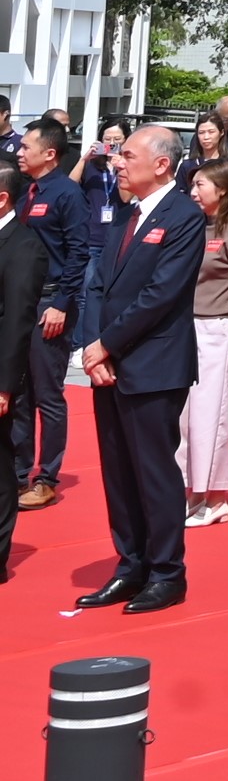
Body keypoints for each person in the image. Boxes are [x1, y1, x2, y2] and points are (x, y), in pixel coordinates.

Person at [75, 126, 206, 614]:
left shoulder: (184, 216)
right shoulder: (127, 215)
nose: (117, 163)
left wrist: (107, 345)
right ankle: (130, 565)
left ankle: (167, 572)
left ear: (162, 164)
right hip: (110, 362)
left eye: (127, 155)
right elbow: (99, 286)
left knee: (153, 472)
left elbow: (161, 293)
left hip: (153, 364)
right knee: (118, 472)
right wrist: (96, 347)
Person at [178, 160, 228, 528]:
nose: (194, 192)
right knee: (186, 418)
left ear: (223, 190)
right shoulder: (194, 225)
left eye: (201, 186)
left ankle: (215, 498)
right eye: (193, 185)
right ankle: (192, 491)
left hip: (221, 328)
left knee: (215, 414)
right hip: (188, 328)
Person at [13, 118, 85, 511]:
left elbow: (79, 252)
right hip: (21, 304)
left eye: (26, 147)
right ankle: (19, 472)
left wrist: (62, 303)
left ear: (50, 153)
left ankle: (47, 476)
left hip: (50, 303)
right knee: (18, 390)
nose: (20, 153)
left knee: (47, 394)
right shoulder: (24, 193)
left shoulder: (66, 194)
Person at [0, 168, 47, 579]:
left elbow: (17, 320)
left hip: (0, 371)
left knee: (0, 464)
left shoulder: (24, 246)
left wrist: (5, 384)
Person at [68, 117, 126, 349]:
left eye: (117, 140)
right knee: (86, 293)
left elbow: (127, 197)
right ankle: (80, 343)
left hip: (117, 236)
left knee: (111, 293)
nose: (111, 144)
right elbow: (70, 186)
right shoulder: (92, 166)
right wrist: (85, 158)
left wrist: (121, 165)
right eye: (107, 139)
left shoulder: (128, 165)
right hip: (92, 236)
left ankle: (105, 340)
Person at [175, 112, 228, 190]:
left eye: (211, 132)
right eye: (201, 133)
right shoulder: (187, 166)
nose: (206, 137)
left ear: (221, 132)